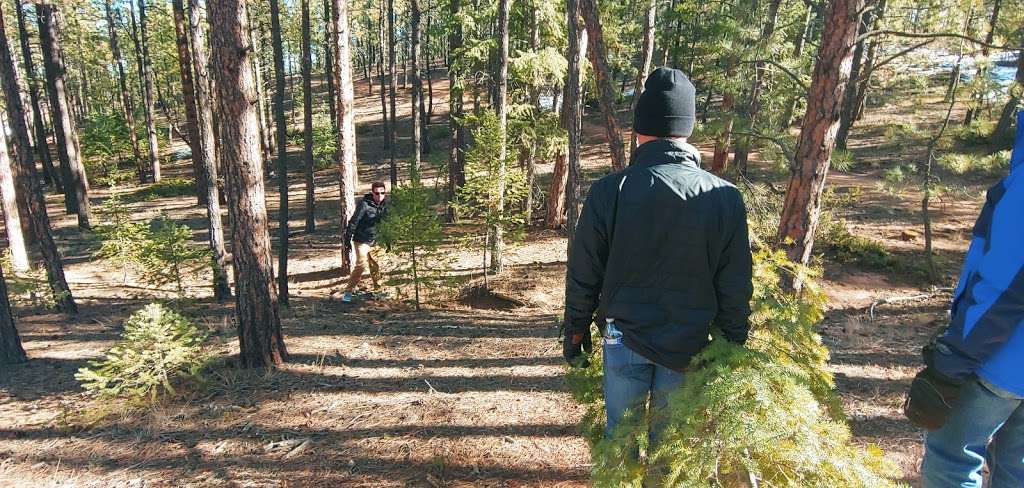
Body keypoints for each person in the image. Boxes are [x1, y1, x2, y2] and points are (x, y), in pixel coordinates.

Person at [561, 67, 753, 446]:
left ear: (639, 129)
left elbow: (585, 271)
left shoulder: (609, 191)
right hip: (690, 345)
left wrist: (576, 331)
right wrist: (733, 343)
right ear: (688, 128)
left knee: (620, 448)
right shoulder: (724, 197)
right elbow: (734, 282)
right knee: (671, 455)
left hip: (623, 339)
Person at [906, 110, 1024, 488]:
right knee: (1016, 469)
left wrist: (951, 363)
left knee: (951, 460)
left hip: (1000, 362)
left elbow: (1004, 287)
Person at [342, 181, 388, 303]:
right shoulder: (364, 205)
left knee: (375, 265)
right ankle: (348, 291)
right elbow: (353, 222)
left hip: (376, 240)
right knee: (361, 265)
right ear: (372, 193)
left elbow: (387, 225)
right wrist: (347, 241)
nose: (379, 196)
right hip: (361, 240)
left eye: (382, 193)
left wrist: (388, 241)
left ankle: (378, 290)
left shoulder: (385, 206)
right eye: (377, 193)